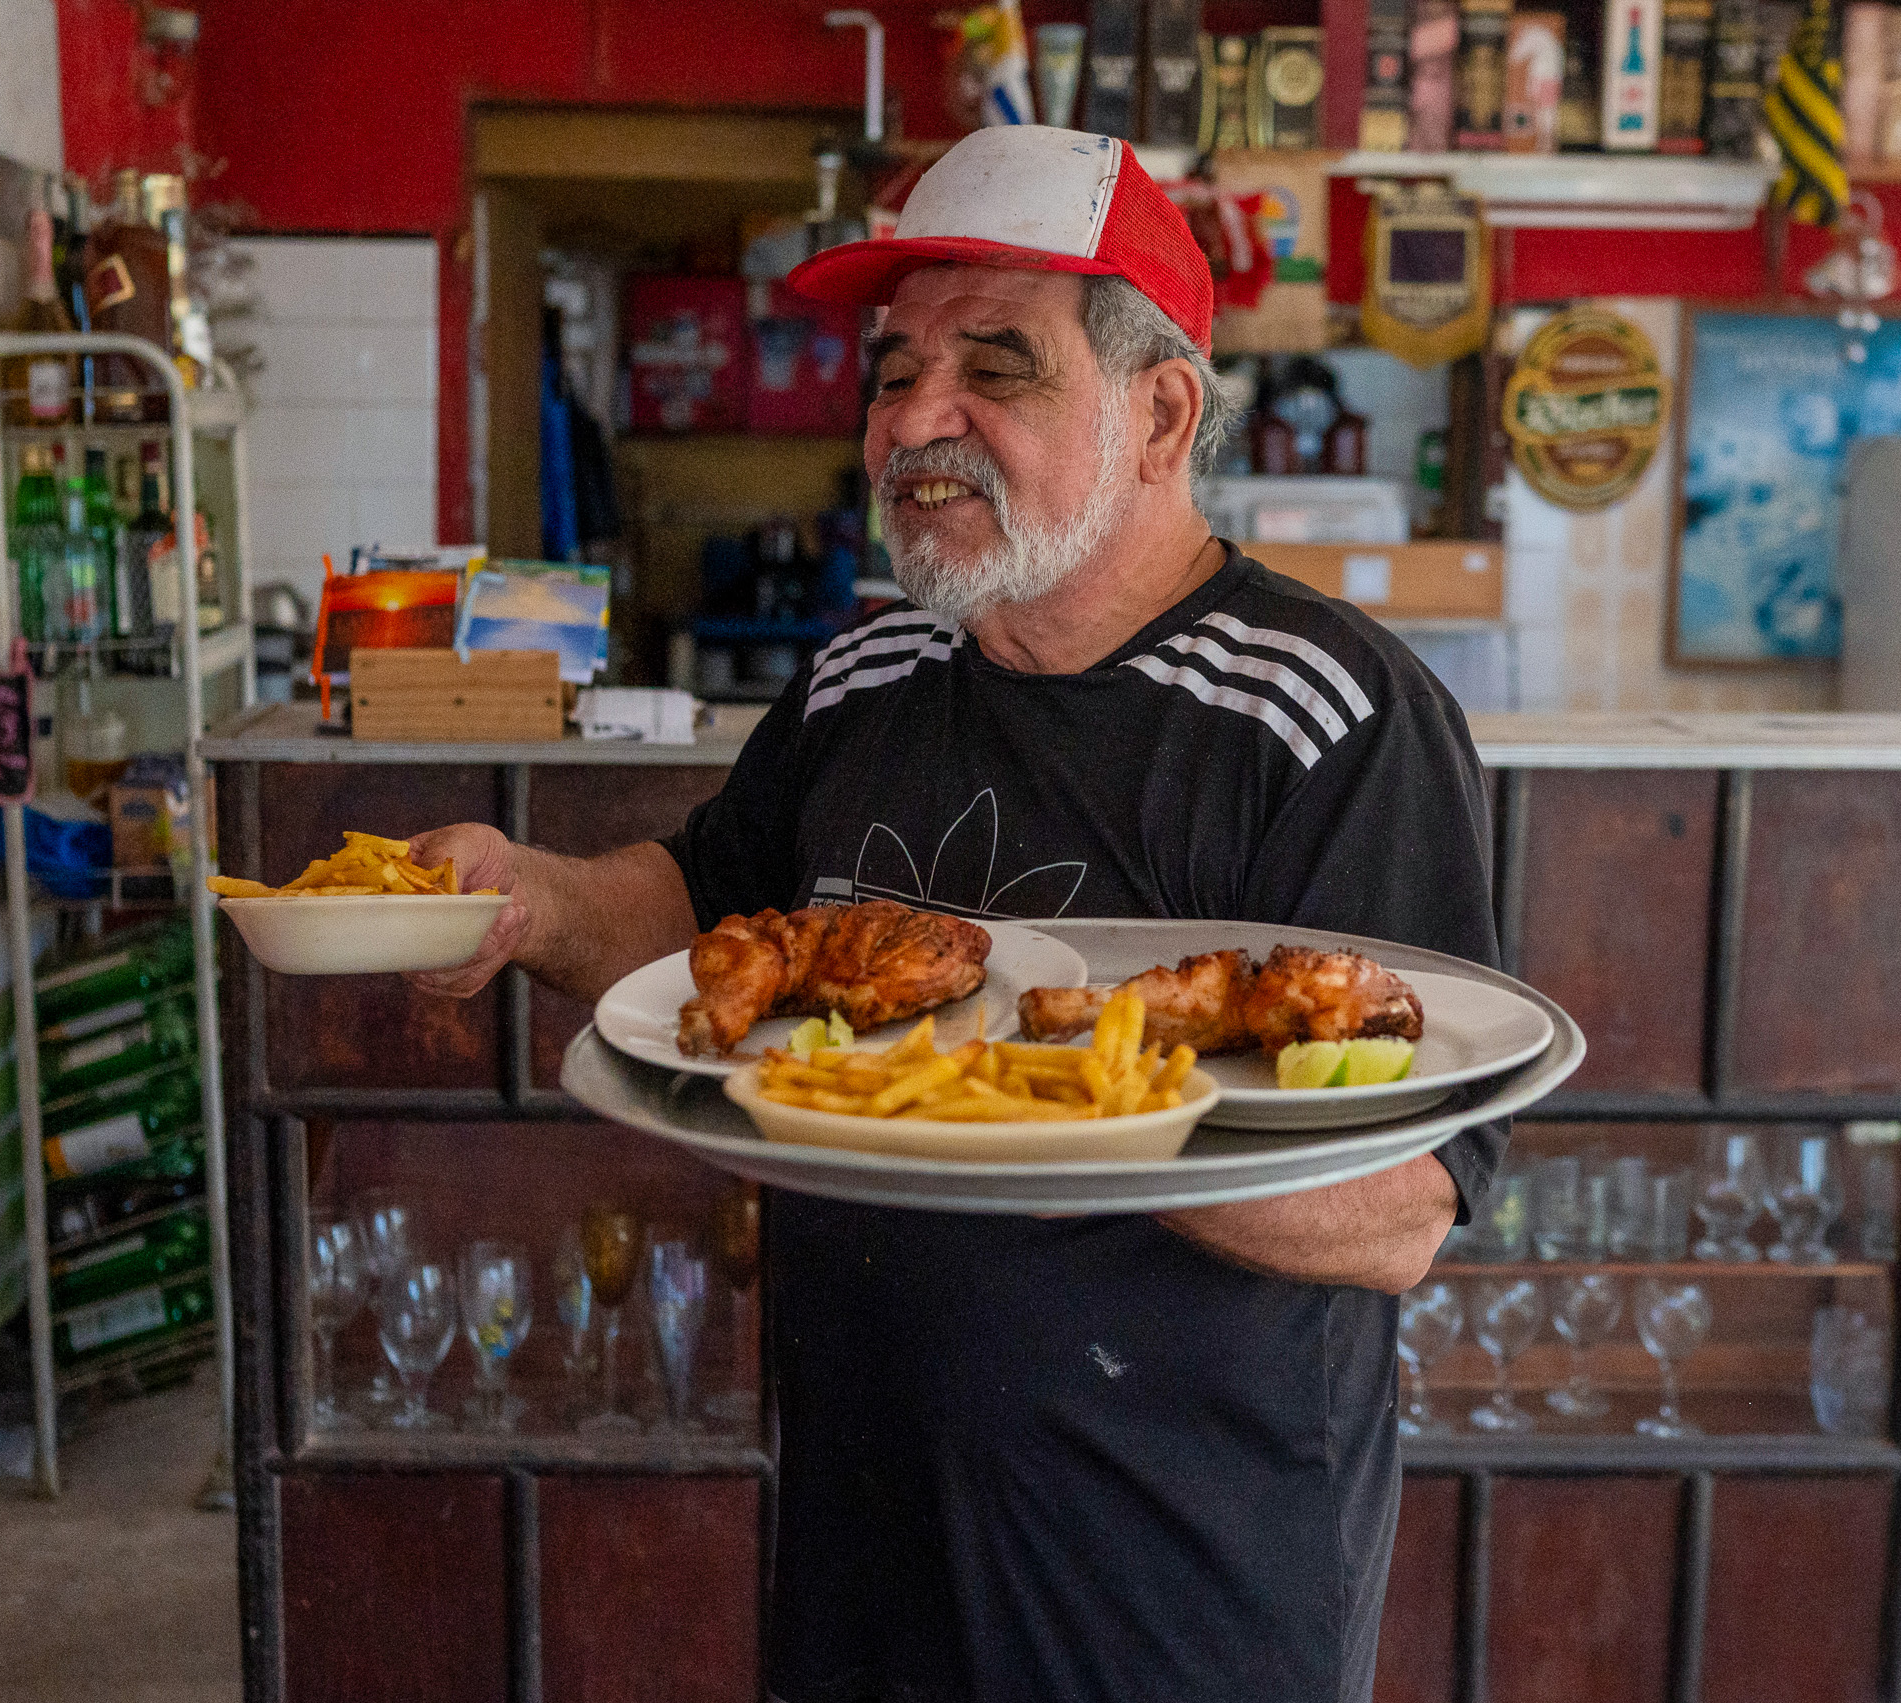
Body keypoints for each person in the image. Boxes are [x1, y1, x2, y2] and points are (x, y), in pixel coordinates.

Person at [407, 125, 1501, 1703]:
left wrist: (1019, 1106)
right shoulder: (866, 677)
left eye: (1000, 368)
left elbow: (1402, 1204)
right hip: (864, 1540)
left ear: (1161, 413)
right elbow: (709, 914)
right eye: (892, 369)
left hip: (1177, 1588)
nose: (917, 421)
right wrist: (531, 901)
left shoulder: (1323, 715)